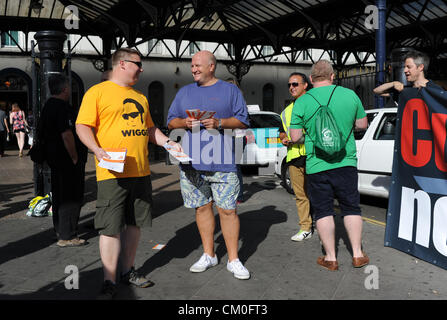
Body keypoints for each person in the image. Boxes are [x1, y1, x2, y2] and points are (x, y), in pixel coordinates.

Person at [76, 48, 182, 299]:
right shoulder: (98, 92)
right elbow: (82, 125)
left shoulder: (140, 97)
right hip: (112, 171)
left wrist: (169, 143)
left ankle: (128, 270)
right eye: (138, 63)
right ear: (122, 64)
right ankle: (109, 279)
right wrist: (96, 149)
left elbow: (149, 129)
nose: (141, 68)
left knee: (134, 224)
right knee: (110, 227)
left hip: (140, 171)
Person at [167, 50, 250, 280]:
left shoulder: (230, 90)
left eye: (197, 65)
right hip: (192, 163)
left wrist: (219, 122)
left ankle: (233, 259)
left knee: (228, 210)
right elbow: (171, 120)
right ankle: (209, 254)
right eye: (192, 66)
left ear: (211, 66)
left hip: (224, 161)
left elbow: (243, 120)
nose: (193, 69)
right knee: (202, 208)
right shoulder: (184, 92)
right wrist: (184, 122)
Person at [289, 60, 369, 271]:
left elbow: (295, 136)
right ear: (333, 76)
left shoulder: (302, 101)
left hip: (317, 165)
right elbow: (362, 125)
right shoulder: (350, 95)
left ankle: (331, 257)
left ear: (311, 79)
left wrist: (311, 131)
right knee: (351, 206)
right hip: (346, 162)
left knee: (323, 210)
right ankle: (358, 255)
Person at [39, 74, 88, 248]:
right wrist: (75, 156)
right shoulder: (62, 108)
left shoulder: (47, 106)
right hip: (67, 160)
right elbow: (67, 134)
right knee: (71, 197)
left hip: (54, 159)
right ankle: (68, 235)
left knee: (59, 195)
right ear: (65, 89)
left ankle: (60, 230)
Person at [279, 72, 313, 241]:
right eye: (289, 85)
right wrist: (284, 138)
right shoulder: (286, 111)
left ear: (305, 85)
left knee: (317, 193)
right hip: (293, 157)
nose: (291, 87)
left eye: (295, 84)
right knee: (300, 195)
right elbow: (282, 132)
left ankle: (322, 223)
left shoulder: (314, 104)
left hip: (312, 155)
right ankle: (306, 227)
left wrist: (297, 139)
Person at [225, 77, 245, 204]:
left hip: (236, 137)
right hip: (233, 137)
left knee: (235, 167)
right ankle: (233, 194)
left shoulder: (236, 101)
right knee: (231, 167)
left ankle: (239, 195)